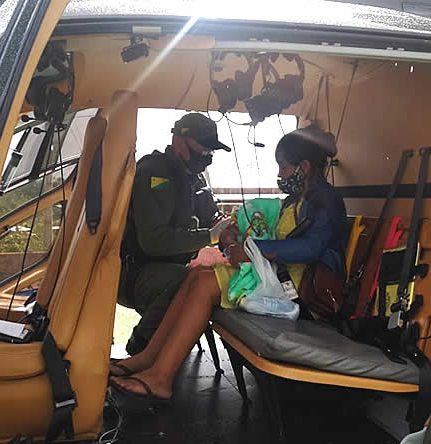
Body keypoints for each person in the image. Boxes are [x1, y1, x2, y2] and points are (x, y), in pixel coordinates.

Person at [111, 126, 347, 401]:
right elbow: (276, 236)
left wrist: (252, 250)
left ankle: (161, 378)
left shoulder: (326, 201)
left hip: (299, 293)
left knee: (206, 286)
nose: (280, 174)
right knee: (199, 275)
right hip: (279, 280)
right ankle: (147, 358)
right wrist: (237, 237)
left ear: (303, 167)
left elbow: (311, 248)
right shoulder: (297, 200)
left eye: (283, 167)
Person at [119, 112, 233, 355]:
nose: (207, 157)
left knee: (216, 279)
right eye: (202, 149)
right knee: (187, 281)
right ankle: (141, 346)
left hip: (171, 266)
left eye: (211, 152)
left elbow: (209, 215)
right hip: (136, 272)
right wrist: (210, 236)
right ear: (179, 141)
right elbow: (153, 241)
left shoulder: (193, 179)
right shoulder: (155, 174)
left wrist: (225, 227)